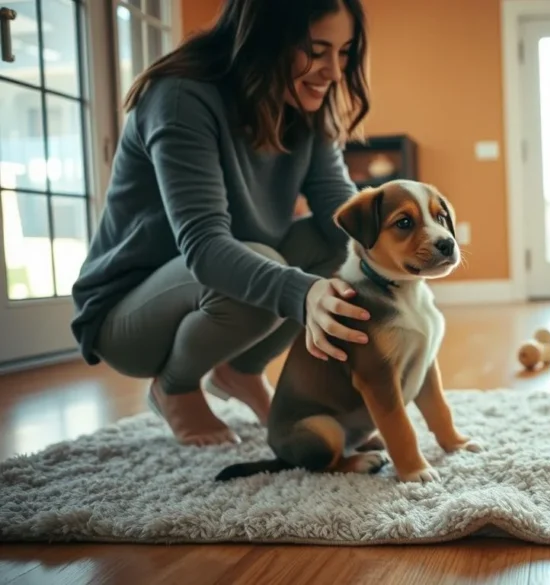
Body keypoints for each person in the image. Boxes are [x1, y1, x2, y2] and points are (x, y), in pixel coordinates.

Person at [70, 0, 373, 447]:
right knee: (268, 267)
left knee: (338, 248)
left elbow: (339, 211)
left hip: (222, 284)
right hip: (127, 316)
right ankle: (174, 386)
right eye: (316, 49)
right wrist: (303, 292)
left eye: (344, 52)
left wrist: (397, 260)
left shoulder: (306, 105)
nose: (332, 70)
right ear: (264, 40)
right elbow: (206, 248)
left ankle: (240, 371)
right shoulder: (179, 96)